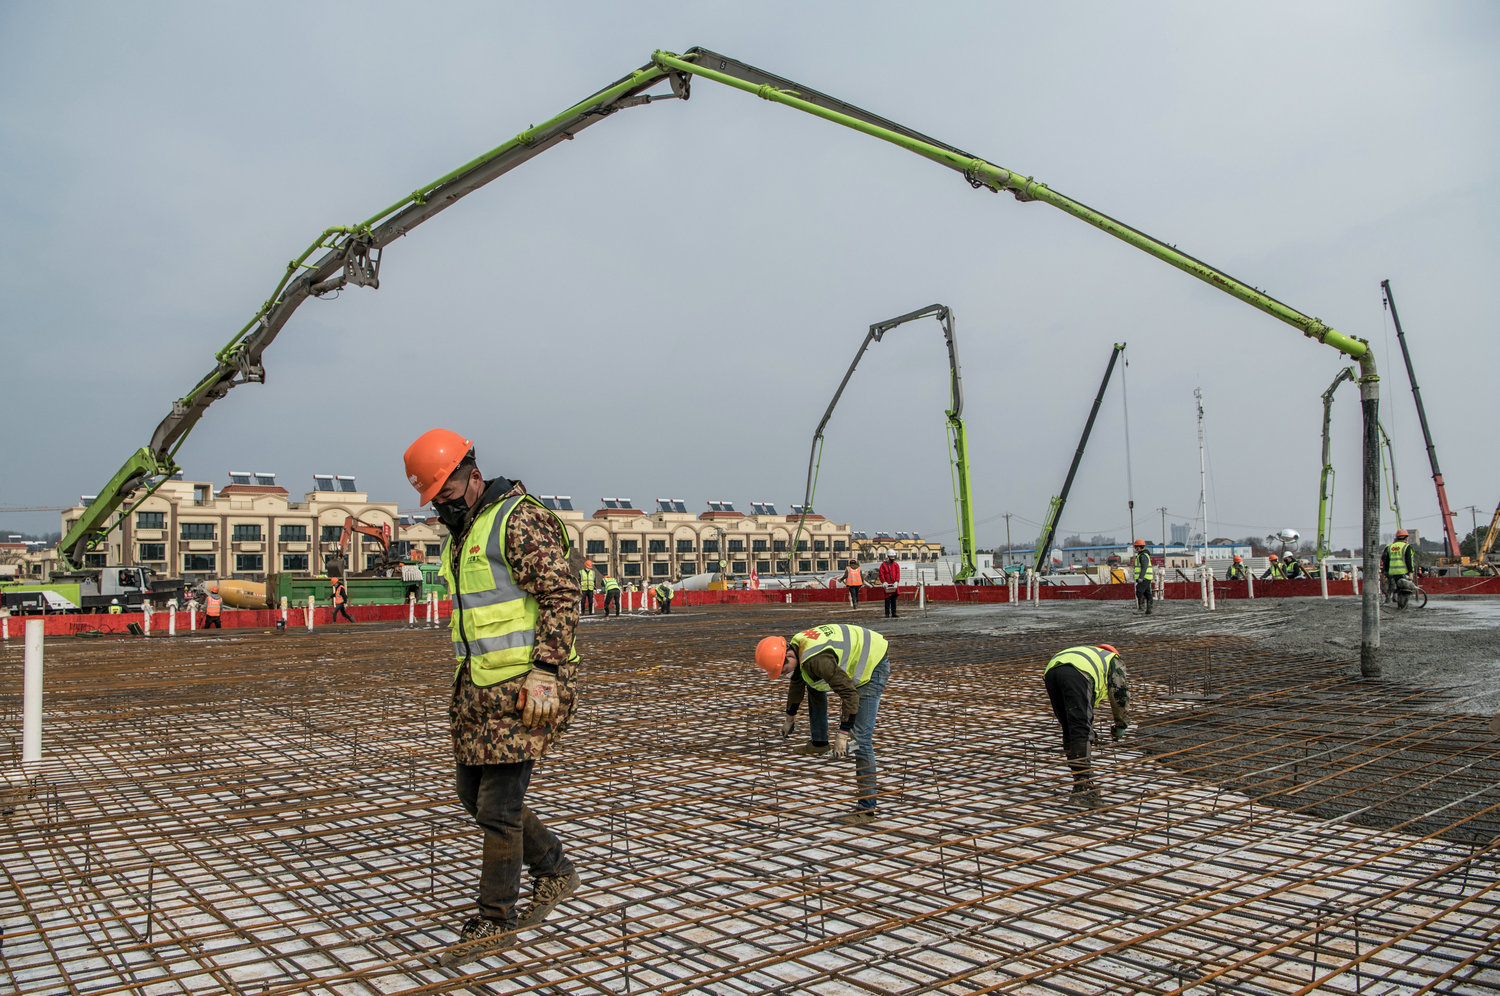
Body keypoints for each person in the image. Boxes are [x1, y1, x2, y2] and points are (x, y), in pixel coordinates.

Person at [403, 428, 581, 966]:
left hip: (531, 685)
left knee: (499, 807)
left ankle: (494, 921)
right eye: (434, 501)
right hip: (480, 690)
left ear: (473, 476)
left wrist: (546, 671)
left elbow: (562, 594)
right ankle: (553, 868)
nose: (442, 507)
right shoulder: (467, 529)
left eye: (448, 495)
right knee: (471, 796)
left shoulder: (518, 520)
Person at [755, 623, 891, 824]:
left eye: (782, 671)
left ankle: (867, 809)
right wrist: (789, 718)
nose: (783, 675)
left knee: (861, 739)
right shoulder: (797, 648)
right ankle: (819, 743)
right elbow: (798, 682)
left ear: (789, 657)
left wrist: (843, 733)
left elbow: (849, 694)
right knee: (813, 683)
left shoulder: (816, 660)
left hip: (873, 664)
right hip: (859, 648)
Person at [1043, 644, 1132, 810]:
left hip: (1052, 672)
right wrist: (1121, 724)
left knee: (1071, 727)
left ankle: (1081, 779)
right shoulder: (1113, 659)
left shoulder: (1089, 653)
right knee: (1079, 729)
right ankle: (1083, 786)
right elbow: (1120, 693)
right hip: (1076, 675)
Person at [1381, 529, 1415, 603]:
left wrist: (1385, 571)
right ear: (1406, 538)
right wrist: (1411, 572)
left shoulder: (1390, 547)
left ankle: (1390, 600)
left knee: (1394, 586)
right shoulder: (1406, 547)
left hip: (1392, 571)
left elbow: (1386, 560)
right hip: (1403, 571)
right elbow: (1408, 561)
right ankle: (1401, 603)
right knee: (1404, 587)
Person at [1131, 540, 1153, 614]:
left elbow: (1144, 567)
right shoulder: (1142, 555)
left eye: (1136, 547)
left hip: (1144, 577)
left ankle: (1141, 609)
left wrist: (1141, 577)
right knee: (1147, 593)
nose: (1135, 549)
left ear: (1139, 547)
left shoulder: (1143, 555)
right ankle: (1149, 609)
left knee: (1139, 591)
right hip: (1146, 577)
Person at [878, 550, 900, 618]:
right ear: (888, 556)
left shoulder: (896, 565)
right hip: (887, 585)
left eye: (893, 556)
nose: (892, 557)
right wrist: (884, 582)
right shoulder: (883, 565)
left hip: (894, 584)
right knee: (887, 599)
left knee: (893, 599)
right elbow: (881, 574)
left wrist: (896, 581)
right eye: (891, 556)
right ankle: (887, 614)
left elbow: (898, 574)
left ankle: (894, 613)